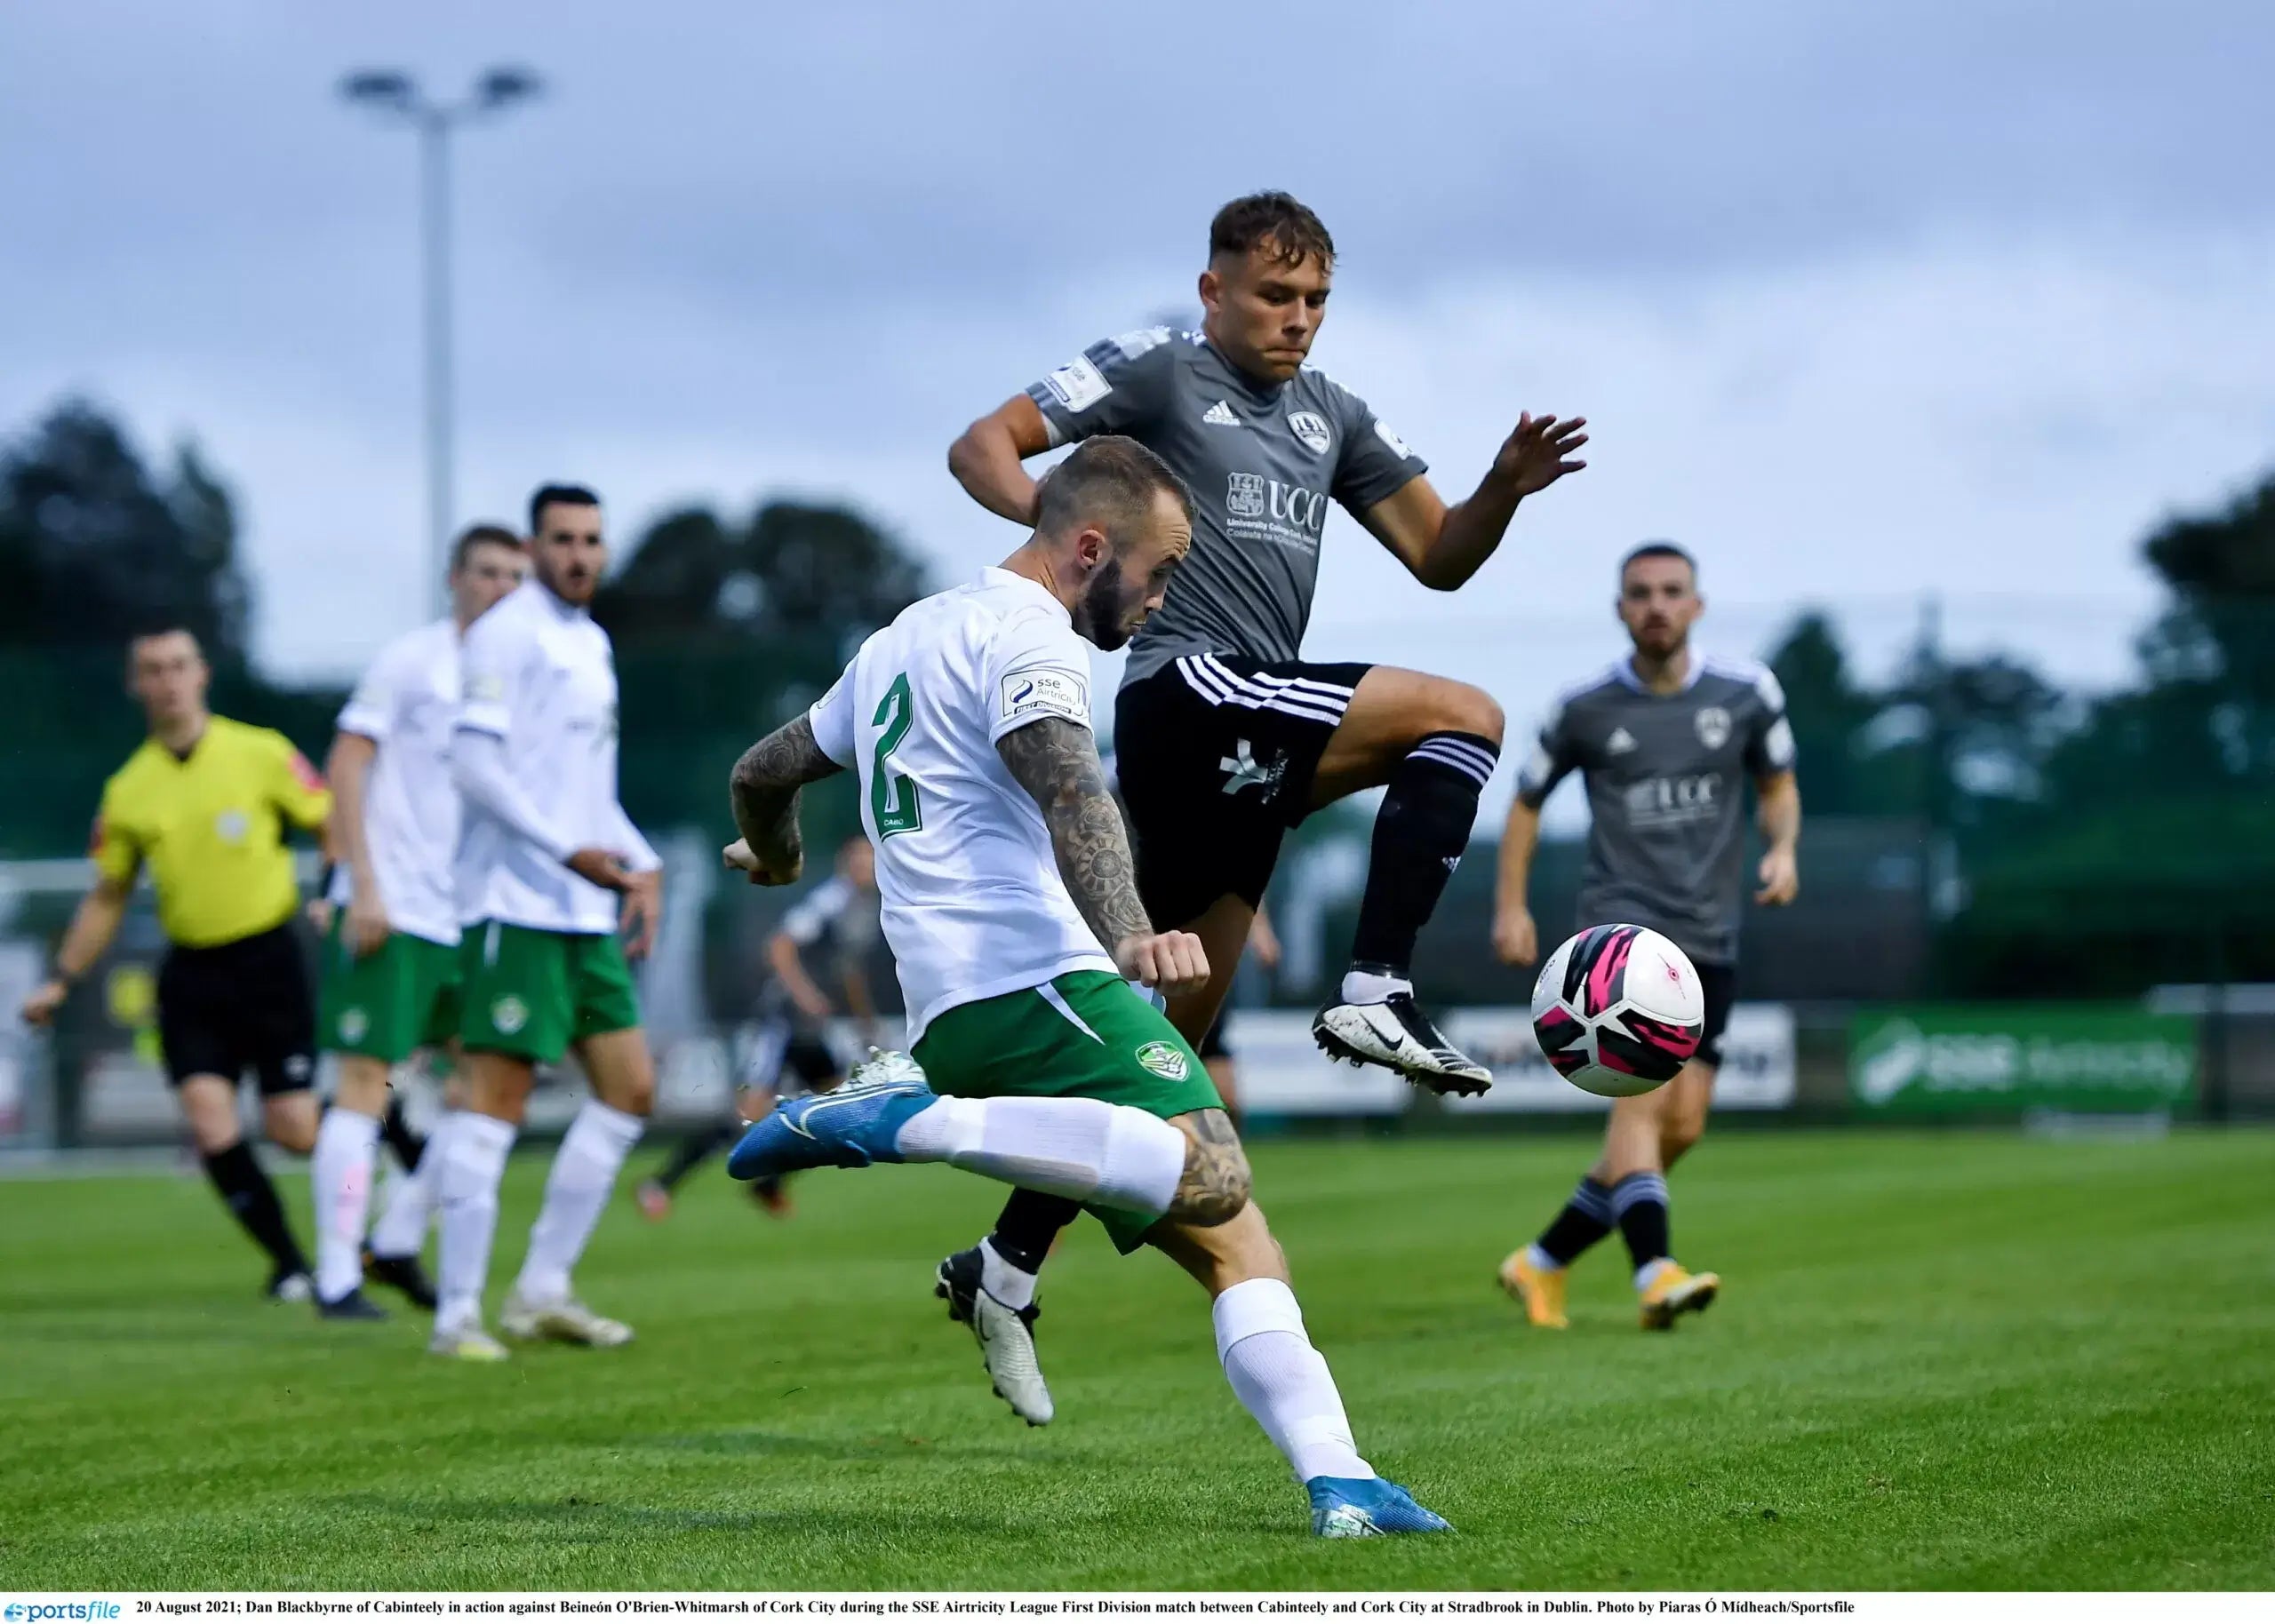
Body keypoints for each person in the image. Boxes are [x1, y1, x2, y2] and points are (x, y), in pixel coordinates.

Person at [720, 435, 1453, 1539]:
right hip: (1038, 980)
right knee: (1212, 1176)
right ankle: (905, 1123)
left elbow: (760, 772)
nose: (1159, 602)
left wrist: (771, 854)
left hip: (957, 1008)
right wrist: (1133, 936)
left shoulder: (900, 640)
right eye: (1156, 575)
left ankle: (1339, 1480)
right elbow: (1070, 786)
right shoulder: (1032, 636)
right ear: (1088, 548)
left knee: (1233, 1238)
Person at [940, 189, 1586, 1360]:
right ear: (1214, 293)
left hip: (1250, 734)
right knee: (1466, 717)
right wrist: (1065, 542)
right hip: (1189, 694)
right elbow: (981, 444)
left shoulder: (1332, 415)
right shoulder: (1157, 372)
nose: (1298, 320)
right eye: (1275, 296)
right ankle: (1377, 988)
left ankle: (1003, 1263)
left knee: (1163, 1053)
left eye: (1316, 301)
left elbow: (1440, 557)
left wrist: (1501, 488)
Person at [1490, 543, 1801, 1330]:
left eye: (1671, 592)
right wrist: (1512, 905)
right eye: (1640, 593)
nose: (1656, 605)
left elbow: (1777, 783)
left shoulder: (1747, 694)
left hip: (1711, 935)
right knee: (1640, 1106)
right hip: (1620, 936)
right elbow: (1524, 802)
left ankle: (1542, 1261)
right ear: (1619, 608)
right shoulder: (1583, 708)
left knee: (1682, 1127)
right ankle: (1655, 1271)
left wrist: (1784, 847)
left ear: (1697, 605)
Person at [427, 484, 664, 1362]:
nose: (578, 553)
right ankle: (456, 1316)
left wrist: (640, 860)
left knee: (630, 1088)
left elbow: (589, 794)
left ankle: (539, 1289)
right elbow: (474, 767)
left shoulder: (590, 642)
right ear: (533, 546)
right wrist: (566, 851)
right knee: (496, 1102)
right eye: (562, 538)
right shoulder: (505, 633)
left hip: (579, 911)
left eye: (592, 539)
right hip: (515, 908)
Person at [21, 628, 331, 1302]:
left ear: (202, 675)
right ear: (136, 685)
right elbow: (108, 895)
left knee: (297, 1131)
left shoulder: (261, 752)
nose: (166, 681)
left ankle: (373, 1126)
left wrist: (340, 894)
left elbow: (333, 823)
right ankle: (291, 1266)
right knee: (210, 1120)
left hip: (269, 959)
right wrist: (62, 979)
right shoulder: (129, 789)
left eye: (177, 667)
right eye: (152, 670)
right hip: (193, 970)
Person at [305, 524, 528, 1320]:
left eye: (513, 574)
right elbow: (345, 765)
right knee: (364, 1084)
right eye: (487, 572)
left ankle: (395, 1235)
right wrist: (358, 882)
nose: (500, 586)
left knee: (490, 1083)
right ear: (455, 579)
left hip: (473, 915)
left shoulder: (518, 679)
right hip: (394, 905)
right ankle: (336, 1276)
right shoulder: (413, 661)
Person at [636, 834, 882, 1221]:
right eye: (858, 860)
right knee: (747, 1114)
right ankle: (661, 1184)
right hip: (783, 1021)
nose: (865, 867)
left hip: (809, 1030)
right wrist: (805, 996)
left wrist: (865, 1021)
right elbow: (779, 947)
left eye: (870, 860)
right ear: (844, 864)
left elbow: (848, 970)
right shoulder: (830, 901)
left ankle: (769, 1184)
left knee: (839, 1116)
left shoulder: (864, 910)